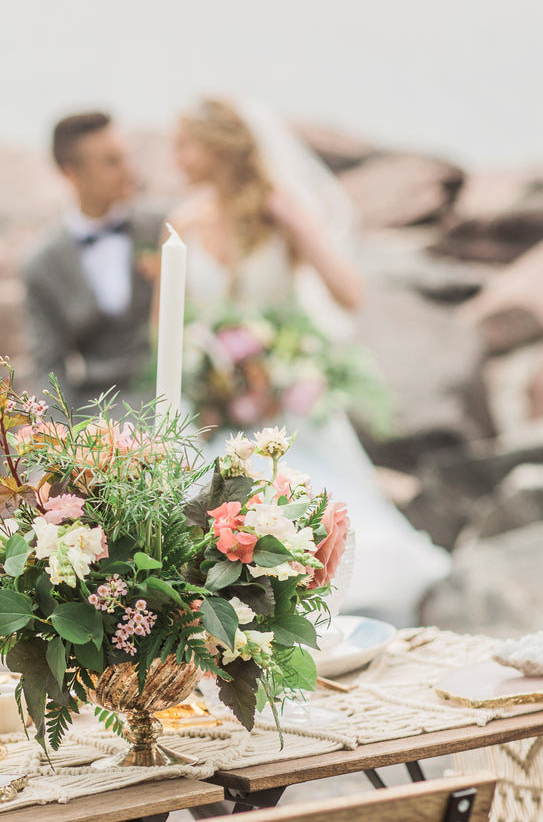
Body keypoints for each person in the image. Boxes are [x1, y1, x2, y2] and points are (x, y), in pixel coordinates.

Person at [169, 97, 449, 626]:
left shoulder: (280, 213)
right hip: (211, 413)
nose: (175, 159)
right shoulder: (182, 226)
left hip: (284, 409)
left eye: (184, 145)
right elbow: (168, 331)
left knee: (316, 510)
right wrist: (206, 377)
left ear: (217, 148)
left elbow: (349, 293)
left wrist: (300, 227)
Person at [23, 112, 165, 411]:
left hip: (170, 396)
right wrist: (61, 442)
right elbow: (48, 368)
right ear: (71, 173)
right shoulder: (41, 265)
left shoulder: (164, 230)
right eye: (111, 162)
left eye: (126, 157)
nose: (128, 171)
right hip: (94, 410)